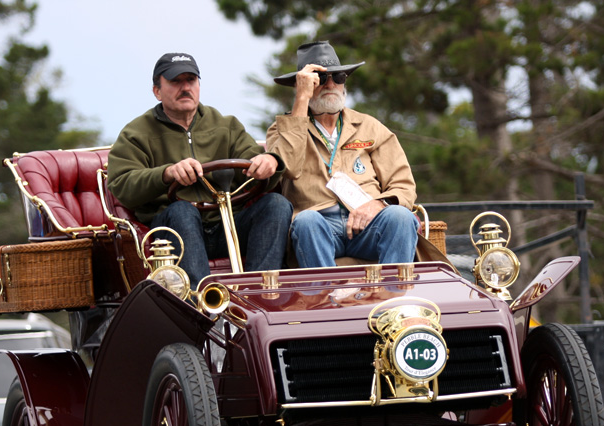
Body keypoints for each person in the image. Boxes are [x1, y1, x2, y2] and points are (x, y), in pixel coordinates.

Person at [109, 52, 292, 288]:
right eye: (176, 81)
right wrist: (167, 173)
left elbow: (251, 157)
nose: (185, 87)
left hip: (228, 225)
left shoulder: (226, 125)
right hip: (173, 232)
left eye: (191, 80)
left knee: (276, 205)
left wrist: (269, 161)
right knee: (182, 211)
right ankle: (202, 303)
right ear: (157, 91)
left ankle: (259, 296)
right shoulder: (135, 133)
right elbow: (122, 185)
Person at [266, 41, 420, 268]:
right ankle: (325, 301)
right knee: (307, 221)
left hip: (368, 223)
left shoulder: (369, 126)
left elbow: (404, 186)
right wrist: (301, 100)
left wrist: (376, 205)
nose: (331, 84)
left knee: (400, 217)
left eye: (338, 77)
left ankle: (393, 299)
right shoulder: (281, 129)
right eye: (321, 78)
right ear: (304, 84)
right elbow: (286, 167)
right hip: (319, 226)